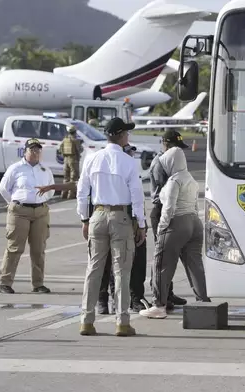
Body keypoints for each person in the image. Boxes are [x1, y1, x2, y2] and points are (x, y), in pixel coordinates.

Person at [76, 118, 146, 337]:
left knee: (94, 270)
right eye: (127, 133)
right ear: (122, 136)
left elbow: (82, 191)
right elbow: (137, 196)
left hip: (97, 215)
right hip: (120, 217)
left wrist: (85, 219)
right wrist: (141, 224)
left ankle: (86, 321)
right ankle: (122, 322)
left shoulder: (92, 158)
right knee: (121, 271)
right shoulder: (127, 162)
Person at [140, 145, 210, 319]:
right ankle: (204, 301)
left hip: (177, 223)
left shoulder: (174, 181)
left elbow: (169, 208)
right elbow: (194, 205)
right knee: (195, 265)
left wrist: (163, 228)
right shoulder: (191, 179)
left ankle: (158, 305)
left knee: (161, 264)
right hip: (194, 223)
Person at [97, 144, 151, 314]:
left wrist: (141, 223)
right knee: (106, 264)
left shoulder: (130, 169)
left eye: (131, 152)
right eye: (128, 152)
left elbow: (138, 197)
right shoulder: (107, 172)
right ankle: (104, 300)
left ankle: (135, 298)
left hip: (132, 220)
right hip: (114, 219)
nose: (131, 155)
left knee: (137, 263)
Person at [0, 138, 55, 295]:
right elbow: (4, 188)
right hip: (20, 212)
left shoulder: (45, 170)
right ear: (25, 151)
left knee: (38, 249)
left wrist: (40, 201)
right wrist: (14, 203)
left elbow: (51, 190)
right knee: (15, 247)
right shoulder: (16, 169)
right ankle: (5, 282)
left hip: (40, 212)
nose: (35, 153)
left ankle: (38, 284)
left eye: (38, 150)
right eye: (32, 150)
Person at [148, 130, 189, 310]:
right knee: (162, 256)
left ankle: (168, 293)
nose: (176, 151)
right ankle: (159, 294)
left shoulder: (172, 161)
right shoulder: (160, 163)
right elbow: (164, 188)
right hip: (161, 209)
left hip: (171, 208)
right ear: (164, 143)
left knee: (170, 255)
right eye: (173, 146)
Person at [57, 125, 82, 199]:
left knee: (66, 178)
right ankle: (71, 195)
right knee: (73, 178)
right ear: (75, 132)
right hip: (73, 159)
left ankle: (63, 194)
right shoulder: (75, 140)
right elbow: (79, 149)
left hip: (66, 159)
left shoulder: (65, 139)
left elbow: (60, 149)